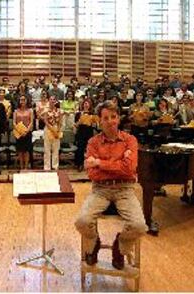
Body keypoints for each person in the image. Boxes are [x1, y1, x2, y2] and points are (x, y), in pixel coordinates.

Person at [75, 100, 146, 270]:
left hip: (125, 189)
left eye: (113, 117)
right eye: (105, 118)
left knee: (139, 226)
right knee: (82, 222)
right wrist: (118, 163)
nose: (110, 121)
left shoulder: (130, 140)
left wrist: (99, 162)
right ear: (100, 121)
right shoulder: (93, 142)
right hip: (100, 189)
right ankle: (94, 243)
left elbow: (130, 169)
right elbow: (92, 174)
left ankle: (119, 247)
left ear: (119, 119)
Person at [13, 95, 33, 170]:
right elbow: (14, 123)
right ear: (19, 101)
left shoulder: (30, 110)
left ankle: (26, 167)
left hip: (27, 133)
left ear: (26, 101)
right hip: (19, 133)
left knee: (26, 151)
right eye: (21, 100)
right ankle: (21, 167)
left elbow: (31, 122)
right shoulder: (16, 111)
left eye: (24, 99)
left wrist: (26, 131)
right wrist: (20, 131)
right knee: (20, 151)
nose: (22, 101)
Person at [43, 96, 62, 171]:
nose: (52, 101)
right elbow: (45, 121)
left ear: (56, 101)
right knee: (47, 149)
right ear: (48, 101)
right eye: (51, 99)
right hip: (48, 129)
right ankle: (47, 167)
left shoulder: (59, 111)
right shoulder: (45, 110)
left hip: (56, 129)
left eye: (54, 99)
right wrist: (51, 129)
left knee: (56, 149)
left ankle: (55, 166)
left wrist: (58, 130)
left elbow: (60, 122)